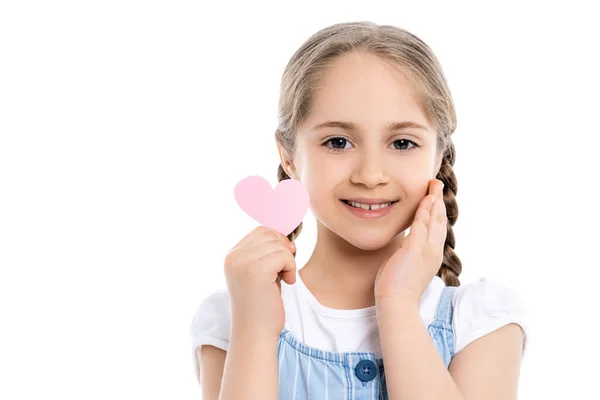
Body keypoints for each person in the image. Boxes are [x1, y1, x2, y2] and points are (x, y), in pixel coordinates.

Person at [190, 21, 528, 400]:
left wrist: (397, 302)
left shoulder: (480, 320)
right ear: (289, 156)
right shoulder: (233, 318)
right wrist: (254, 327)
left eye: (402, 143)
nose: (370, 175)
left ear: (438, 156)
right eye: (338, 142)